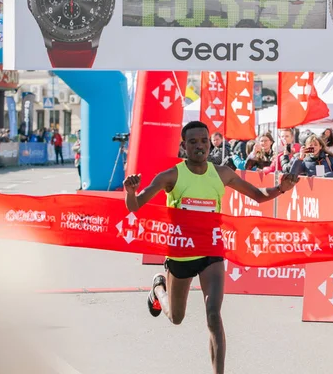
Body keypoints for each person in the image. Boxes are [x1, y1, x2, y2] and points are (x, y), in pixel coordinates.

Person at [123, 121, 299, 374]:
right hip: (181, 252)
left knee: (213, 315)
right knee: (176, 317)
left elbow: (259, 195)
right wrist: (131, 191)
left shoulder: (222, 173)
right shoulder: (171, 176)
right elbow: (135, 205)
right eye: (193, 142)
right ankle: (158, 288)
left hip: (211, 250)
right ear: (184, 146)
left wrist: (282, 188)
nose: (200, 146)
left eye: (204, 141)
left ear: (209, 143)